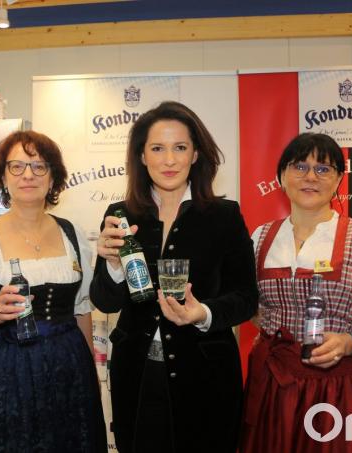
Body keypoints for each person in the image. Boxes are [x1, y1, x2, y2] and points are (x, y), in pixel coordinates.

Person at [90, 101, 259, 453]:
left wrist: (203, 314)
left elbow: (245, 297)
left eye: (179, 147)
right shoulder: (120, 215)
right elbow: (104, 301)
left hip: (206, 374)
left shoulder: (223, 215)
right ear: (141, 156)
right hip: (136, 371)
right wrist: (112, 265)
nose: (169, 160)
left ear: (196, 154)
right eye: (157, 148)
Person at [241, 132, 352, 452]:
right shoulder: (261, 237)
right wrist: (274, 330)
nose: (311, 176)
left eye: (323, 168)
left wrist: (350, 341)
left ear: (339, 179)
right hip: (274, 386)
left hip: (341, 388)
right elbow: (245, 303)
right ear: (281, 176)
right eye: (300, 166)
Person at [0, 130, 107, 453]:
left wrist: (87, 370)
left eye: (39, 166)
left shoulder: (71, 233)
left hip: (68, 367)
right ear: (3, 177)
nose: (28, 175)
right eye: (17, 166)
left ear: (53, 178)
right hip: (5, 369)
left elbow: (82, 309)